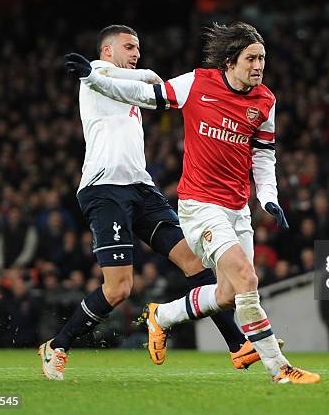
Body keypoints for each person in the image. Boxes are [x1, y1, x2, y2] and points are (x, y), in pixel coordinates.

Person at [64, 22, 320, 383]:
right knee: (247, 278)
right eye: (251, 58)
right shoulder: (196, 83)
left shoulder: (266, 100)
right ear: (231, 60)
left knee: (229, 293)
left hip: (237, 209)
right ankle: (279, 368)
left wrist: (269, 197)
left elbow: (264, 156)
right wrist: (93, 76)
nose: (258, 65)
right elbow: (143, 95)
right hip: (200, 205)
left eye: (262, 58)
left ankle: (162, 317)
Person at [40, 25, 263, 381]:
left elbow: (153, 82)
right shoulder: (95, 73)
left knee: (195, 262)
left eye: (139, 48)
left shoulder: (132, 82)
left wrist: (144, 76)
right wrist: (100, 71)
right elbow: (110, 75)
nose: (137, 53)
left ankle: (238, 344)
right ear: (108, 51)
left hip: (141, 188)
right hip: (104, 189)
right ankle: (58, 345)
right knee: (119, 289)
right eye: (129, 47)